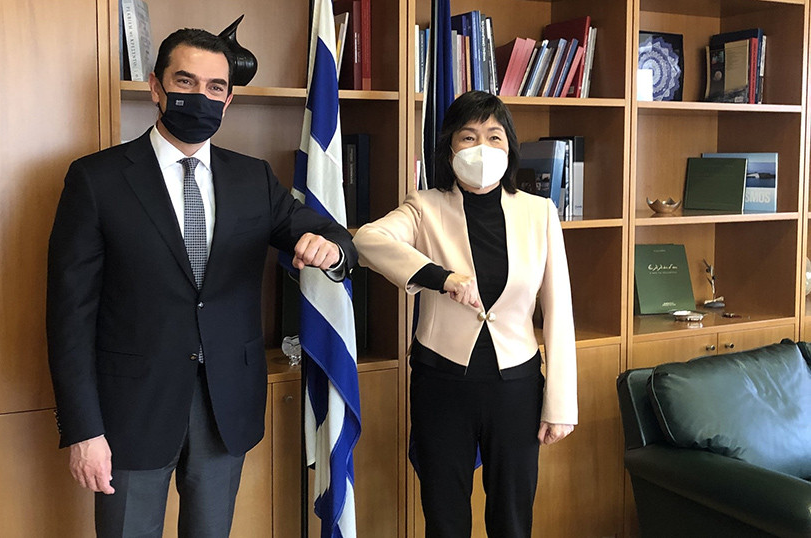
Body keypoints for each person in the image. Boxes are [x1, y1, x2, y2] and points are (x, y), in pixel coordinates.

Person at [46, 28, 356, 537]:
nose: (201, 96)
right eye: (185, 81)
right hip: (131, 412)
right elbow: (68, 318)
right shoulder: (96, 180)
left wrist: (333, 249)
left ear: (228, 100)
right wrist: (83, 430)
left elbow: (332, 235)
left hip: (224, 406)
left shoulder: (253, 178)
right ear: (156, 87)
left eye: (216, 87)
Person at [352, 90, 577, 537]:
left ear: (509, 146)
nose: (481, 148)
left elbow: (558, 310)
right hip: (442, 382)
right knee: (444, 515)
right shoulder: (425, 206)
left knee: (512, 516)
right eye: (468, 137)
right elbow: (367, 240)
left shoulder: (540, 212)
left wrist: (561, 403)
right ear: (450, 147)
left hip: (516, 385)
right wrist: (441, 277)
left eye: (494, 137)